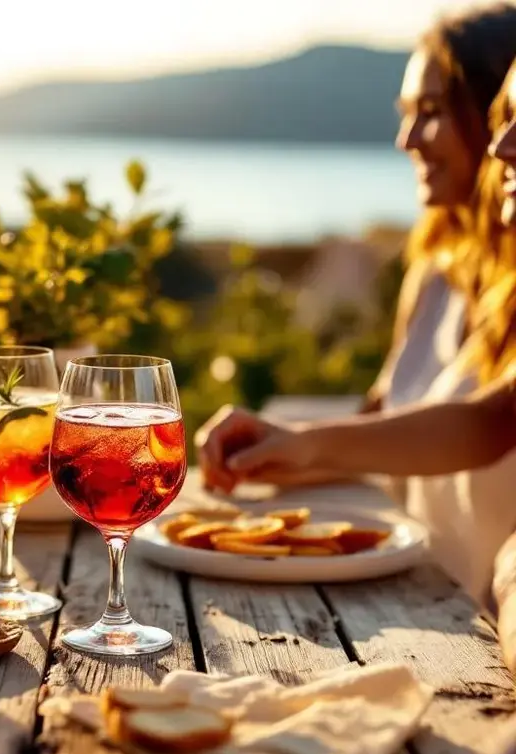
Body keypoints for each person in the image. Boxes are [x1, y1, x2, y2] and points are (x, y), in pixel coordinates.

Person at [195, 4, 516, 605]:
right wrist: (278, 444)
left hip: (484, 623)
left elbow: (489, 424)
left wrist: (308, 442)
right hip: (408, 599)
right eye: (405, 115)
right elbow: (379, 424)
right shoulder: (435, 269)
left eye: (432, 112)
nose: (406, 140)